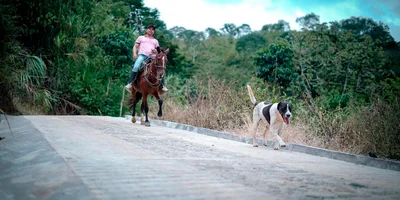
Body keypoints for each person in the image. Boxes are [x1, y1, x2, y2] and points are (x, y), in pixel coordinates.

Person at [125, 25, 168, 92]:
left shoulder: (155, 41)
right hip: (142, 56)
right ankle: (130, 83)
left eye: (152, 29)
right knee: (136, 66)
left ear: (153, 32)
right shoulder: (141, 38)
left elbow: (159, 52)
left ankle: (162, 85)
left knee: (160, 68)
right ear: (146, 30)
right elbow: (135, 46)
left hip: (153, 57)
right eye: (149, 29)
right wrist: (134, 53)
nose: (151, 30)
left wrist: (155, 51)